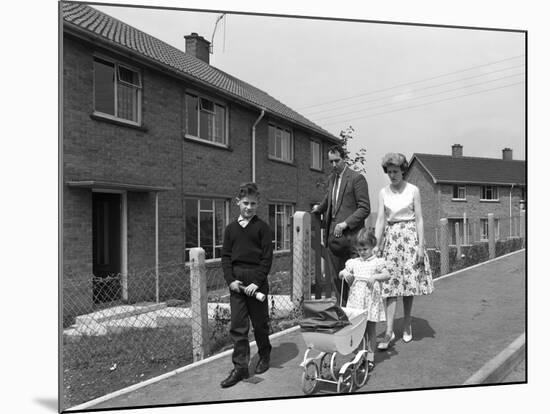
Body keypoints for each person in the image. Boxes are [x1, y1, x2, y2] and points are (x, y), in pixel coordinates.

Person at [374, 153, 434, 350]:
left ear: (403, 171)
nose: (392, 175)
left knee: (408, 284)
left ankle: (407, 323)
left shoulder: (413, 190)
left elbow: (419, 219)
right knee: (389, 286)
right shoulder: (383, 192)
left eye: (395, 171)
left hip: (409, 239)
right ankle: (389, 331)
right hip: (391, 240)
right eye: (389, 172)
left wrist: (420, 245)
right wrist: (377, 243)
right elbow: (381, 220)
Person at [220, 183, 274, 388]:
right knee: (238, 327)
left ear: (258, 204)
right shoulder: (231, 229)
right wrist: (231, 280)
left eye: (253, 204)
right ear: (237, 203)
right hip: (237, 283)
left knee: (260, 324)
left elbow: (267, 260)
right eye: (245, 203)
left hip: (256, 282)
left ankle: (265, 356)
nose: (249, 207)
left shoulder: (262, 228)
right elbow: (225, 258)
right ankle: (240, 367)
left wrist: (256, 283)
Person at [312, 145, 370, 306]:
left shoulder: (357, 178)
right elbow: (329, 200)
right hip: (333, 240)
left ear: (344, 158)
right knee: (337, 280)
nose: (334, 165)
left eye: (337, 160)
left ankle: (358, 317)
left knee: (355, 280)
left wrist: (345, 224)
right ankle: (342, 315)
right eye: (331, 161)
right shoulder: (332, 179)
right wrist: (318, 209)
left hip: (352, 240)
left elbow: (365, 208)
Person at [339, 228, 390, 372]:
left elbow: (387, 274)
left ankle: (370, 357)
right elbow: (342, 273)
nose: (362, 252)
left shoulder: (376, 262)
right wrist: (345, 274)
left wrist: (375, 277)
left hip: (370, 302)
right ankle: (359, 357)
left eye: (365, 248)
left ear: (373, 247)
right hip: (356, 303)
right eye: (359, 249)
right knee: (357, 331)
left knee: (370, 330)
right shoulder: (354, 262)